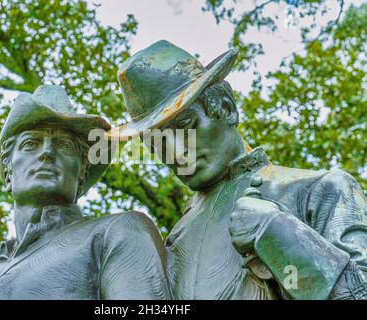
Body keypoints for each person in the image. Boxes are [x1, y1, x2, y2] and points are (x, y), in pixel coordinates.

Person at [108, 40, 367, 299]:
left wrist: (281, 235)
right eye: (158, 143)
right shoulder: (175, 241)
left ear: (226, 108)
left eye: (186, 126)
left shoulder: (322, 190)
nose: (176, 153)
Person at [0, 85, 171, 300]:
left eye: (64, 145)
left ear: (82, 173)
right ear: (8, 173)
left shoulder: (116, 232)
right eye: (31, 143)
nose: (47, 152)